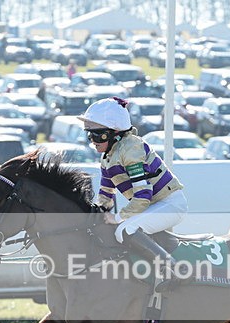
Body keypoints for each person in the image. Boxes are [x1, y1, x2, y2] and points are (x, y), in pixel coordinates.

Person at [78, 96, 188, 291]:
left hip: (170, 204)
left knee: (125, 229)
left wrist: (117, 218)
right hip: (155, 206)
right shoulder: (107, 157)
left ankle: (174, 270)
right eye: (89, 135)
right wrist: (96, 216)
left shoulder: (131, 149)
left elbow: (142, 198)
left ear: (114, 133)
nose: (91, 141)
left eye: (95, 135)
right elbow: (105, 195)